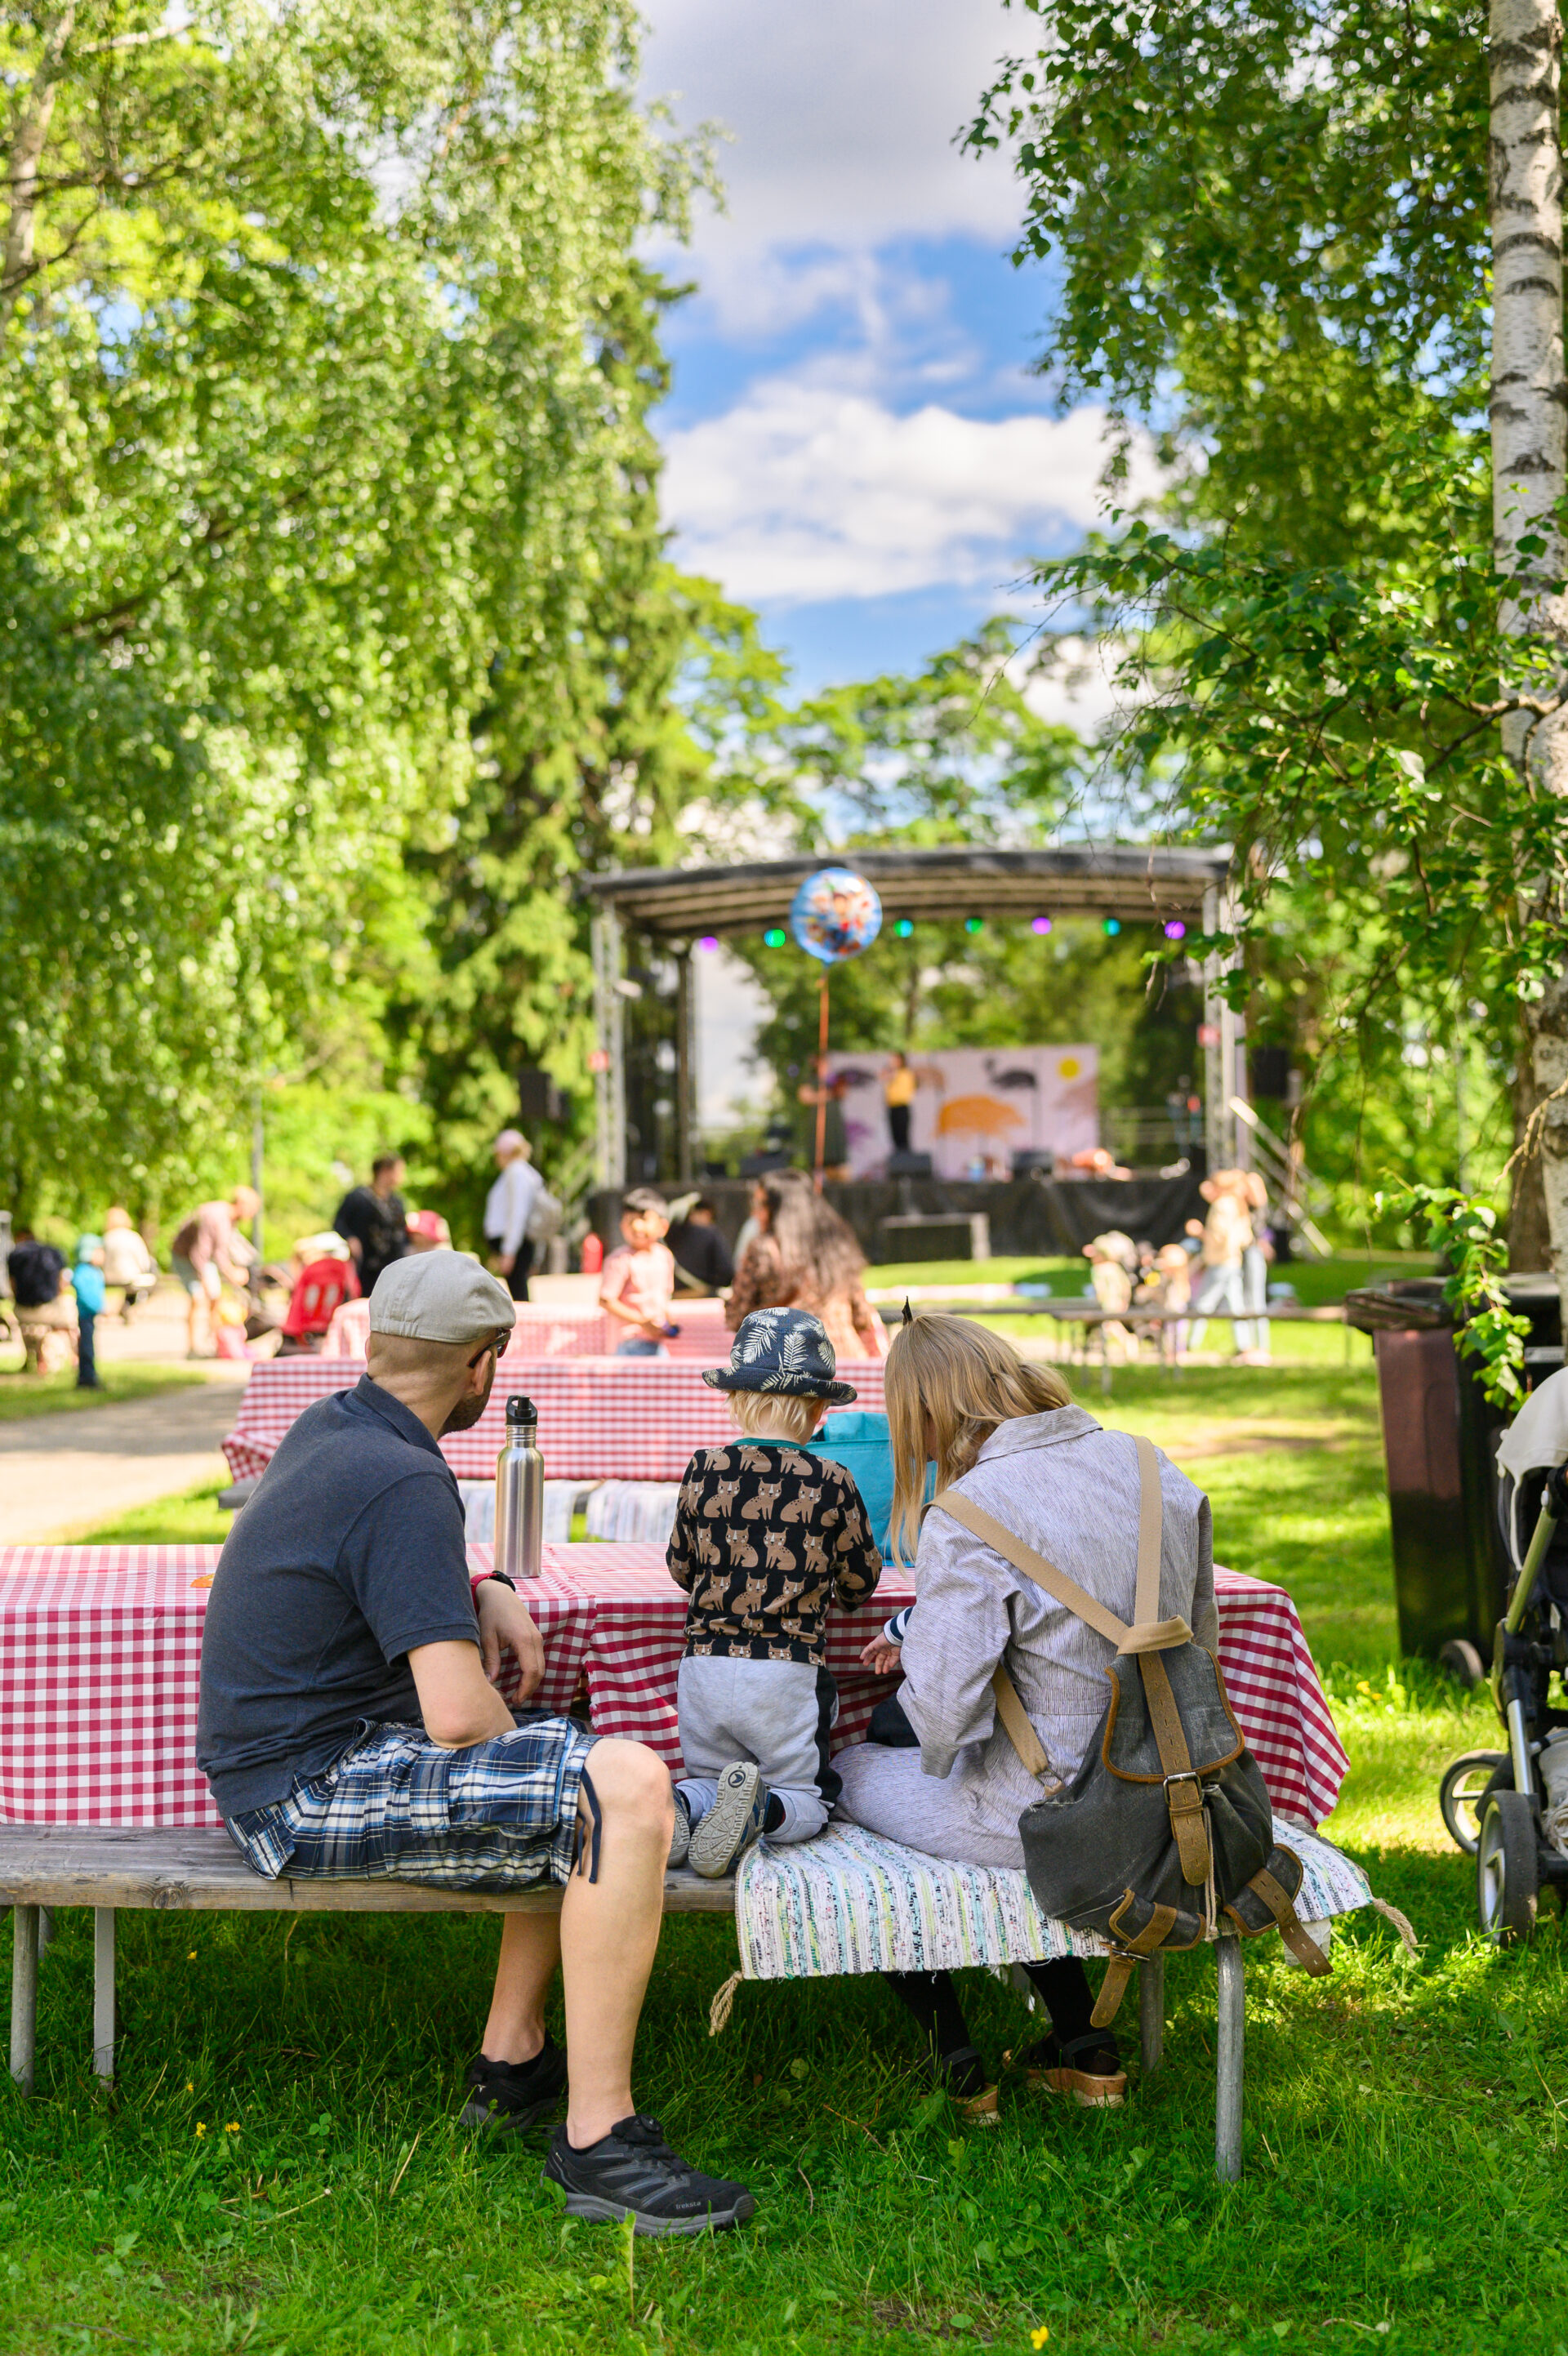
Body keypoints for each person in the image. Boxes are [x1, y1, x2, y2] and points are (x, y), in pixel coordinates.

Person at [195, 1251, 754, 2234]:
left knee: (569, 1763)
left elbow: (377, 1564)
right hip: (308, 1791)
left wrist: (482, 1586)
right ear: (482, 1362)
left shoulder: (336, 1427)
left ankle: (513, 2060)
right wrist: (559, 1760)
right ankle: (598, 2140)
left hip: (282, 1769)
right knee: (618, 1784)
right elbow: (456, 1715)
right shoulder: (404, 1474)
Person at [834, 1314, 1214, 2108]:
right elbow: (1199, 1644)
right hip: (1175, 1794)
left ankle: (953, 2050)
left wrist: (917, 1668)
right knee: (973, 1769)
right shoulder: (1151, 1462)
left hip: (1054, 1811)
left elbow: (944, 1722)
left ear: (930, 1414)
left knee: (850, 1771)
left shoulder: (970, 1509)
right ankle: (1079, 2037)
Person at [666, 1308, 882, 1877]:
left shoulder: (703, 1468)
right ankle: (764, 1808)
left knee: (707, 1779)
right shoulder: (832, 1480)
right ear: (816, 1410)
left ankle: (681, 1806)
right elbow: (861, 1582)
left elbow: (681, 1566)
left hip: (705, 1668)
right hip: (786, 1674)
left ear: (734, 1398)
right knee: (808, 1798)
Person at [726, 1170, 889, 1364]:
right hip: (845, 1359)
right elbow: (862, 1316)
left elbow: (737, 1317)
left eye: (760, 1204)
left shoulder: (764, 1249)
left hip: (790, 1363)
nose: (755, 1213)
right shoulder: (837, 1244)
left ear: (780, 1209)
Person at [171, 1187, 260, 1359]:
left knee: (215, 1299)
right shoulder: (216, 1216)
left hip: (205, 1259)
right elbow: (199, 1252)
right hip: (186, 1257)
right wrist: (205, 1277)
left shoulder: (230, 1219)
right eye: (253, 1209)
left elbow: (220, 1251)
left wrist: (231, 1271)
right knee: (197, 1299)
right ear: (242, 1204)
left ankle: (216, 1345)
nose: (253, 1214)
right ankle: (192, 1349)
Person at [599, 1190, 676, 1356]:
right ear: (622, 1226)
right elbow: (606, 1300)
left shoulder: (664, 1256)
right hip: (629, 1342)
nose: (636, 1227)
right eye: (630, 1220)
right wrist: (642, 1322)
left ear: (663, 1227)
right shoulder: (619, 1260)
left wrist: (669, 1322)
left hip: (656, 1340)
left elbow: (663, 1297)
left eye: (643, 1219)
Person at [333, 1155, 410, 1295]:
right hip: (365, 1266)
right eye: (399, 1171)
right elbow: (339, 1222)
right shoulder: (358, 1197)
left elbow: (402, 1231)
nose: (402, 1176)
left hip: (393, 1265)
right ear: (385, 1171)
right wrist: (351, 1238)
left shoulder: (396, 1202)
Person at [7, 1231, 77, 1375]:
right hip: (49, 1309)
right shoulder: (53, 1253)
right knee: (69, 1307)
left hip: (22, 1310)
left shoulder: (15, 1256)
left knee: (29, 1326)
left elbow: (13, 1286)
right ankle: (76, 1355)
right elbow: (62, 1285)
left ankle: (32, 1357)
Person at [278, 1233, 359, 1356]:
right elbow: (355, 1293)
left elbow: (296, 1309)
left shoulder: (310, 1270)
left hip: (304, 1333)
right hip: (335, 1329)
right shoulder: (345, 1268)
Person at [485, 1129, 543, 1303]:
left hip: (515, 1247)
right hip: (517, 1246)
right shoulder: (523, 1172)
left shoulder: (517, 1172)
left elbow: (518, 1214)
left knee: (520, 1299)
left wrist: (509, 1252)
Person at [666, 1196, 735, 1297]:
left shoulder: (670, 1235)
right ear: (706, 1213)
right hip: (704, 1297)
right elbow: (726, 1272)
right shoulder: (712, 1234)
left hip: (674, 1296)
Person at [102, 1208, 158, 1321]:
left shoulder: (106, 1238)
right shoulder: (133, 1237)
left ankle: (125, 1306)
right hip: (130, 1277)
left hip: (108, 1277)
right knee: (152, 1275)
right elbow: (144, 1262)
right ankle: (127, 1305)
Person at [71, 1234, 108, 1391]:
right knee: (86, 1347)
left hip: (90, 1316)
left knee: (89, 1345)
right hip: (85, 1315)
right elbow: (86, 1294)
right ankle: (87, 1377)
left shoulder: (94, 1271)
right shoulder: (83, 1271)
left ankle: (89, 1375)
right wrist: (98, 1307)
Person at [882, 1051, 917, 1156]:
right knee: (895, 1135)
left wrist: (893, 1075)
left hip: (902, 1106)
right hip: (892, 1107)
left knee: (903, 1136)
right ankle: (898, 1157)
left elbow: (906, 1091)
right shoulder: (892, 1073)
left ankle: (905, 1158)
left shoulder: (906, 1073)